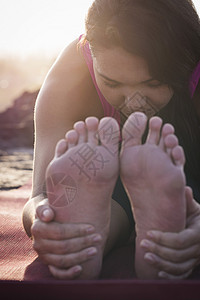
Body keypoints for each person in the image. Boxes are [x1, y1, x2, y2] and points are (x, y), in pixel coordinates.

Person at [22, 0, 200, 280]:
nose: (134, 102)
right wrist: (45, 221)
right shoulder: (74, 70)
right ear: (90, 51)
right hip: (106, 183)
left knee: (181, 191)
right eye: (113, 83)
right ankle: (90, 236)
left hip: (190, 175)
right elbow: (40, 193)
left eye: (153, 83)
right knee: (79, 206)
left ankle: (174, 218)